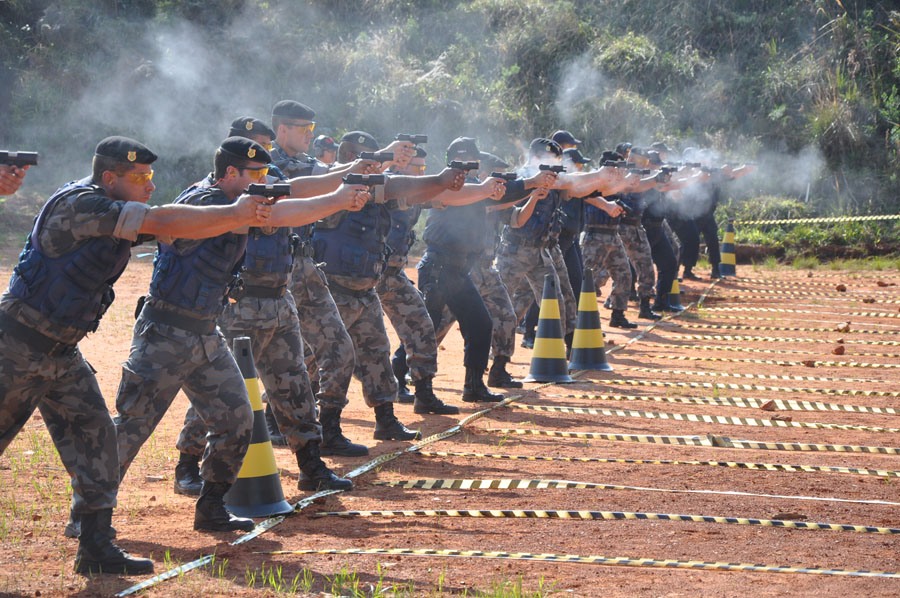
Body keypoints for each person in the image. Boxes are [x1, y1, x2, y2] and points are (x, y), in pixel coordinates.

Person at [0, 136, 271, 574]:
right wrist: (236, 213)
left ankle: (95, 549)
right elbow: (163, 219)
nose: (149, 184)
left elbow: (168, 223)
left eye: (151, 176)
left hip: (60, 352)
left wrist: (241, 214)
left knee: (100, 442)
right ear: (110, 179)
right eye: (139, 177)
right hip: (16, 346)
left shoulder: (116, 211)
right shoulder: (81, 206)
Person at [113, 137, 366, 536]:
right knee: (133, 424)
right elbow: (270, 214)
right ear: (231, 173)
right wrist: (335, 198)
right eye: (257, 174)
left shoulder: (241, 206)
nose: (265, 181)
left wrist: (338, 196)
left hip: (205, 327)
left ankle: (212, 506)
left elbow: (288, 209)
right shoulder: (203, 202)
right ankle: (90, 511)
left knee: (237, 417)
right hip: (166, 327)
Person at [172, 118, 357, 498]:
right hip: (239, 304)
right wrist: (338, 195)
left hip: (278, 298)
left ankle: (311, 465)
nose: (263, 164)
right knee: (223, 391)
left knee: (294, 386)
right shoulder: (213, 195)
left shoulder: (270, 178)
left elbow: (299, 193)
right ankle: (187, 465)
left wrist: (348, 179)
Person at [314, 131, 463, 438]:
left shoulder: (377, 189)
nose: (375, 169)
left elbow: (406, 190)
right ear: (351, 160)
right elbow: (393, 184)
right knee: (325, 359)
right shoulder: (328, 186)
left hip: (367, 286)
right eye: (370, 162)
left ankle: (386, 419)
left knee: (377, 353)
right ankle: (316, 426)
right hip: (332, 289)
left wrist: (442, 181)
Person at [270, 99, 365, 456]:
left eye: (312, 129)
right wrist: (346, 178)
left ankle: (328, 430)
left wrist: (369, 167)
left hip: (305, 267)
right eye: (303, 129)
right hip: (267, 274)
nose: (310, 135)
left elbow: (324, 180)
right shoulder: (267, 165)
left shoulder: (311, 166)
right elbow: (304, 186)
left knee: (338, 349)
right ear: (283, 130)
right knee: (270, 357)